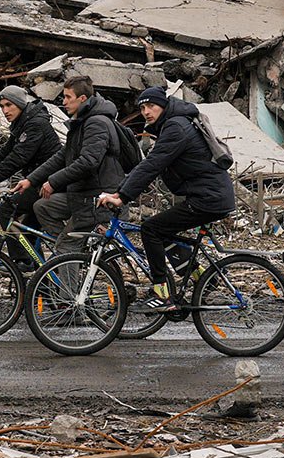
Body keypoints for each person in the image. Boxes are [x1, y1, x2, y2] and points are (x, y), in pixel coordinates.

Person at [98, 86, 234, 314]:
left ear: (164, 105)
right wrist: (120, 191)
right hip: (209, 196)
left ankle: (162, 294)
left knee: (150, 229)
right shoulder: (174, 124)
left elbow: (153, 164)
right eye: (142, 108)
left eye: (151, 106)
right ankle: (202, 278)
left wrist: (122, 196)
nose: (146, 112)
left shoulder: (175, 127)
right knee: (163, 232)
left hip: (208, 199)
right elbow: (149, 165)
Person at [15, 75, 124, 252]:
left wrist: (53, 182)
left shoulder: (97, 123)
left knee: (66, 246)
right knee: (42, 206)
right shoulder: (82, 122)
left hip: (97, 197)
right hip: (81, 194)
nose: (63, 102)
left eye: (68, 97)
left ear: (82, 99)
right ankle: (76, 252)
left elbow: (88, 162)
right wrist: (31, 180)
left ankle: (69, 254)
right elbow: (62, 156)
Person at [0, 85, 61, 234]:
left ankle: (20, 258)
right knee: (29, 233)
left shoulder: (35, 124)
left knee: (5, 210)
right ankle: (30, 258)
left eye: (9, 105)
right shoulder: (22, 123)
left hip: (47, 183)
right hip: (38, 181)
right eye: (2, 106)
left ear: (20, 104)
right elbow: (4, 152)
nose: (5, 111)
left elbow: (17, 158)